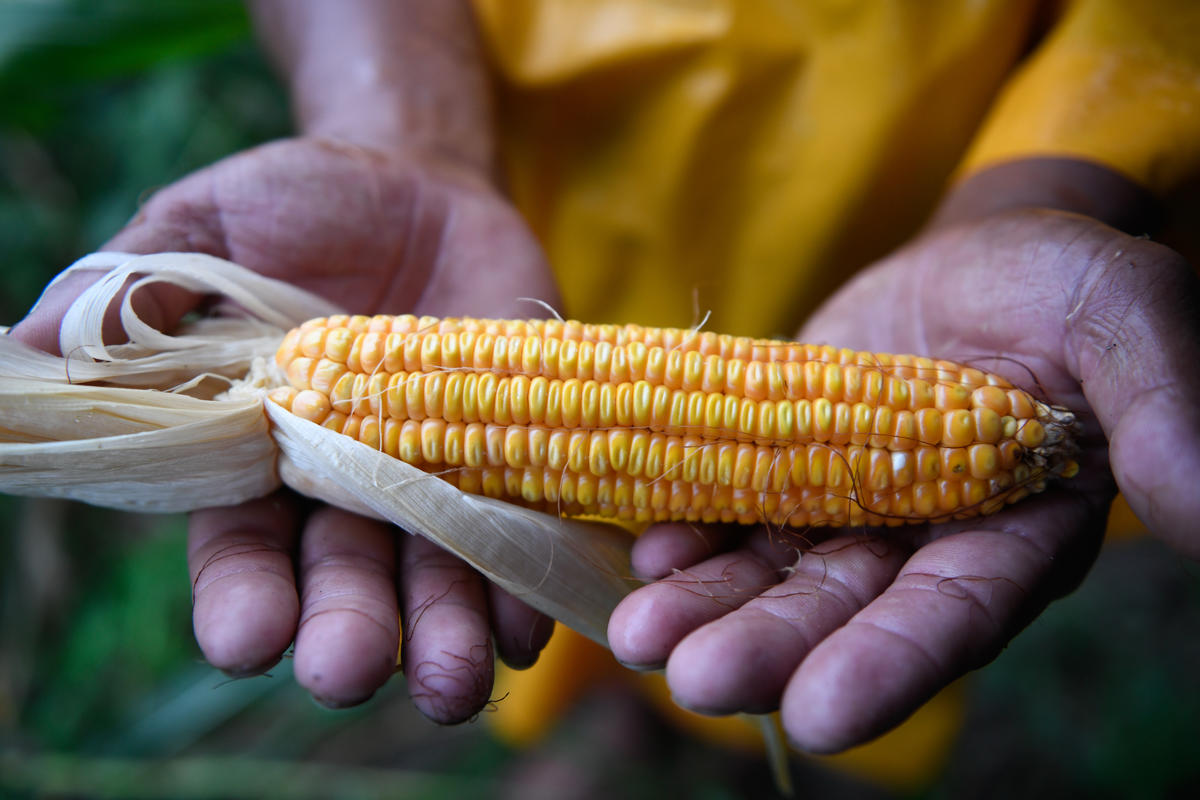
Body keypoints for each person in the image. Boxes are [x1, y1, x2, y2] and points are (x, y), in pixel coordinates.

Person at [11, 0, 1200, 759]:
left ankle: (696, 739)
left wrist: (1045, 184)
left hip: (936, 173)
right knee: (602, 582)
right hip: (506, 216)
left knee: (750, 613)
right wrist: (406, 129)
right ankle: (614, 728)